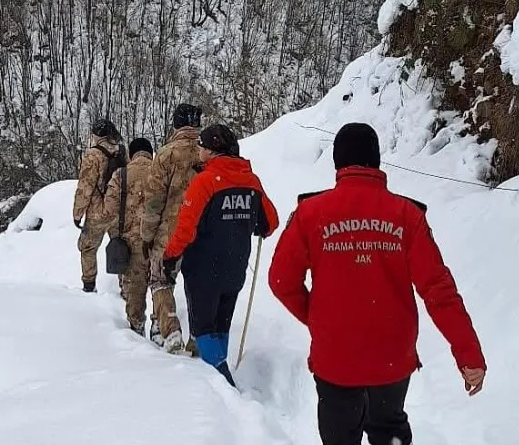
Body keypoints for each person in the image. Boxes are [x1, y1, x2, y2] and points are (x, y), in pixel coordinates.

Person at [267, 123, 487, 445]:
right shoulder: (406, 215)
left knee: (339, 435)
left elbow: (281, 280)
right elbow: (439, 291)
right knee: (389, 430)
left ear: (337, 162)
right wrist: (468, 354)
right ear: (377, 161)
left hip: (335, 358)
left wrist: (318, 317)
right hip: (392, 358)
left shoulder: (310, 213)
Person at [162, 124, 279, 386]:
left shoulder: (204, 182)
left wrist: (170, 256)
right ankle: (221, 376)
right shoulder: (251, 181)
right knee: (221, 326)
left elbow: (186, 228)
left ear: (212, 151)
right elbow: (270, 223)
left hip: (203, 269)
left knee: (204, 330)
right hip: (235, 268)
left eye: (201, 147)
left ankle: (224, 387)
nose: (199, 152)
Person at [141, 103, 202, 353]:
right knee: (197, 283)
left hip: (170, 229)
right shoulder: (206, 153)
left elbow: (153, 201)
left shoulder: (165, 155)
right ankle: (198, 336)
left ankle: (170, 329)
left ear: (175, 124)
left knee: (161, 279)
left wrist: (147, 235)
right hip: (202, 231)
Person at [102, 138, 155, 336]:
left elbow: (109, 212)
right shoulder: (160, 172)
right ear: (151, 153)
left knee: (135, 288)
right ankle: (159, 326)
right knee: (160, 285)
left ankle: (136, 328)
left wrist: (116, 236)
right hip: (157, 240)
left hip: (130, 243)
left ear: (131, 154)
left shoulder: (120, 175)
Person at [73, 119, 126, 293]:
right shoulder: (123, 152)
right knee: (121, 246)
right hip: (119, 210)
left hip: (97, 211)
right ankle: (125, 287)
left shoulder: (92, 155)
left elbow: (85, 186)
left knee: (88, 247)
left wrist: (77, 213)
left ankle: (89, 285)